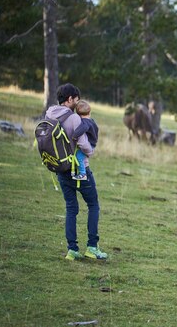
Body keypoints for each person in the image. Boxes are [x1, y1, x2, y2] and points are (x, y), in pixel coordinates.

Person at [45, 83, 108, 261]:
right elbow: (84, 146)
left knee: (71, 208)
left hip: (60, 168)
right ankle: (92, 247)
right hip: (79, 170)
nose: (78, 102)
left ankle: (72, 250)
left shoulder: (49, 114)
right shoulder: (74, 119)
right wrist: (92, 150)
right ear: (70, 99)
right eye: (76, 99)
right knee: (93, 205)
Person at [71, 100, 98, 181]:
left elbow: (83, 128)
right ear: (89, 113)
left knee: (78, 156)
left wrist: (75, 136)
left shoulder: (85, 122)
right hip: (93, 143)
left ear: (78, 114)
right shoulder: (91, 121)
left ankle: (83, 174)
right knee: (80, 156)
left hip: (90, 145)